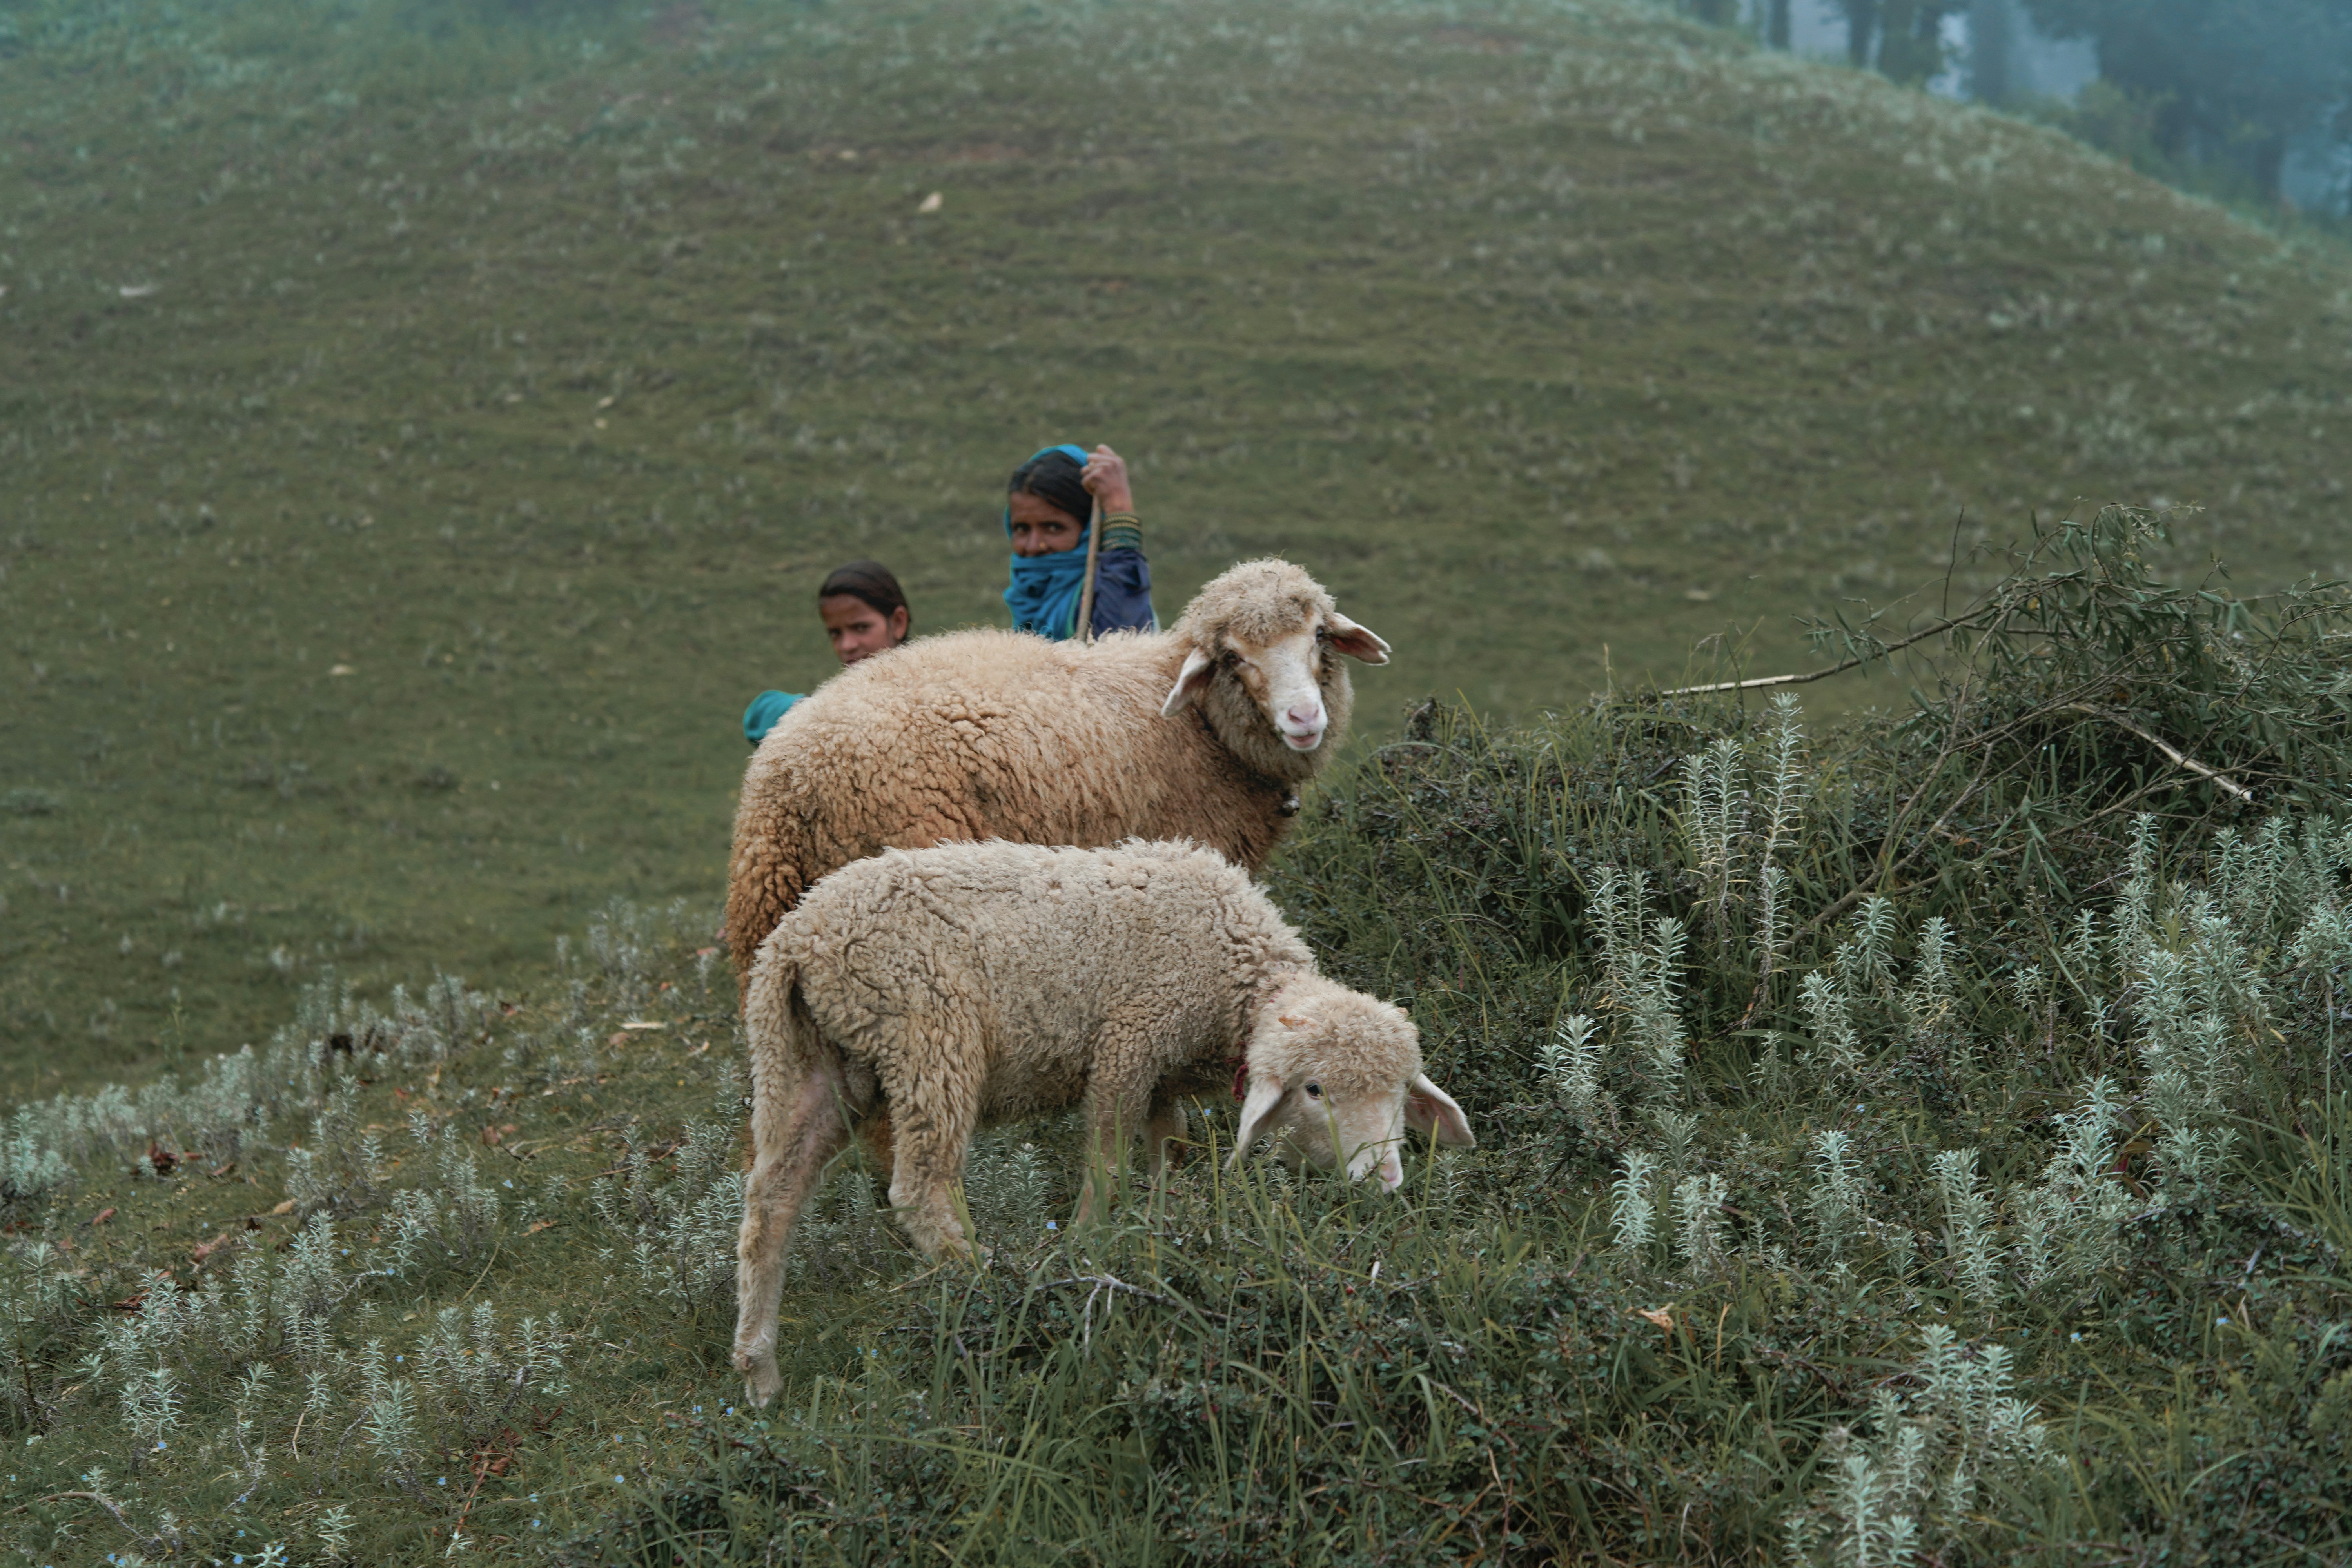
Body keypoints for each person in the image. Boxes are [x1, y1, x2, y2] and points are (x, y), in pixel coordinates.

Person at [742, 560, 911, 746]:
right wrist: (821, 713)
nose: (847, 645)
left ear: (898, 623)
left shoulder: (929, 700)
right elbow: (758, 717)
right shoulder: (838, 705)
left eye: (861, 627)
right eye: (835, 633)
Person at [1003, 443, 1156, 642]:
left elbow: (1120, 653)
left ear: (1089, 531)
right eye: (1022, 529)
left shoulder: (1109, 597)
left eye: (1053, 528)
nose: (1034, 546)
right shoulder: (1026, 598)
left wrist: (1118, 509)